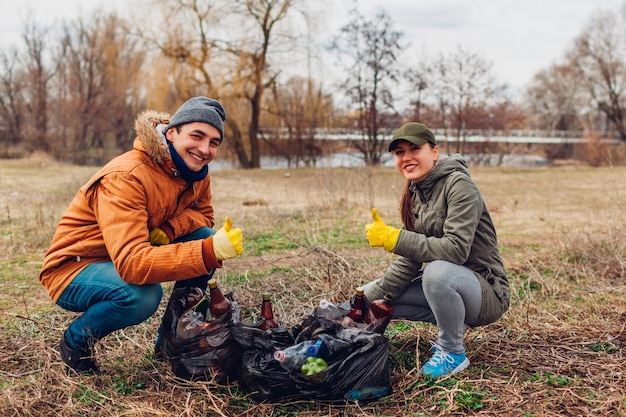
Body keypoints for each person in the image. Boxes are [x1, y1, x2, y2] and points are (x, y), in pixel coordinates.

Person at [39, 96, 243, 375]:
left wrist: (170, 230)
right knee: (142, 296)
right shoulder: (127, 175)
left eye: (213, 142)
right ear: (172, 133)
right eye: (197, 136)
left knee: (203, 235)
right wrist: (207, 252)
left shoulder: (196, 172)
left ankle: (172, 340)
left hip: (125, 252)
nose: (204, 149)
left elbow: (204, 217)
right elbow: (132, 264)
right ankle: (75, 342)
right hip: (75, 268)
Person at [362, 122, 509, 378]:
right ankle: (453, 319)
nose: (406, 157)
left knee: (437, 273)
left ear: (435, 152)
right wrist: (362, 300)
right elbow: (412, 258)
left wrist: (394, 238)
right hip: (455, 290)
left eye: (414, 149)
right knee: (381, 297)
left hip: (486, 292)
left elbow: (456, 250)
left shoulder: (459, 186)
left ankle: (453, 353)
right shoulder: (416, 192)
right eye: (399, 152)